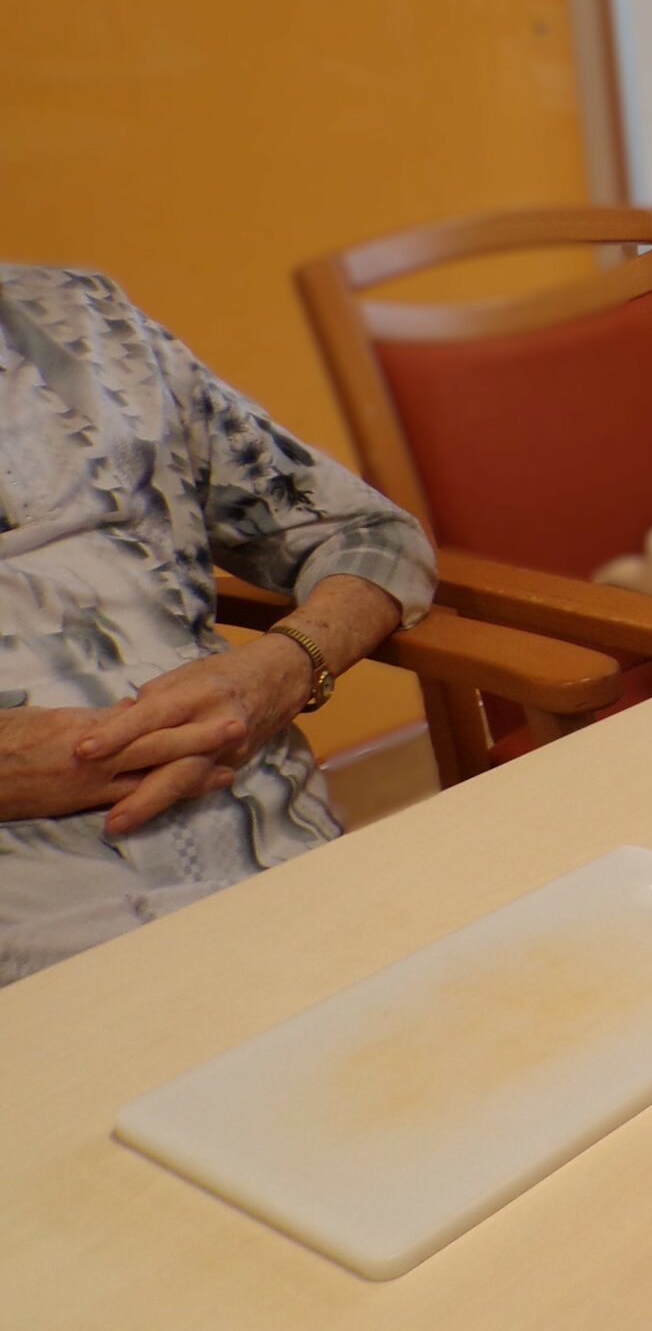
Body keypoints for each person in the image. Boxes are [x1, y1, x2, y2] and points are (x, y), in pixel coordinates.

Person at [0, 267, 433, 984]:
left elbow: (370, 533)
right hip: (42, 972)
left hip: (291, 874)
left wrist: (281, 669)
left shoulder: (84, 316)